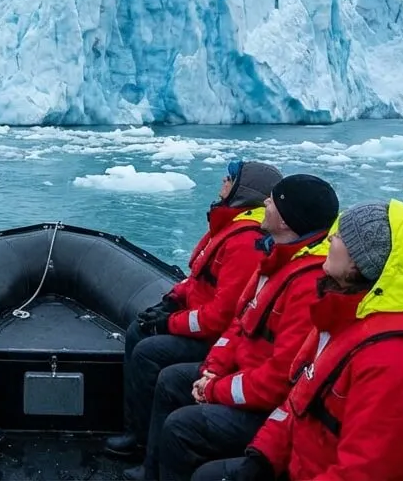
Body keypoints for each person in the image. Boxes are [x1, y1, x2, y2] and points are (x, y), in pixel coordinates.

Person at [192, 199, 403, 481]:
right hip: (299, 461)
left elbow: (366, 472)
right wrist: (262, 456)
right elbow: (297, 401)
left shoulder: (396, 363)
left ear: (362, 263)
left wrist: (216, 388)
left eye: (340, 237)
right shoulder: (345, 319)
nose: (330, 239)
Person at [142, 174, 341, 481]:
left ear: (288, 220)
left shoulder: (305, 284)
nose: (264, 204)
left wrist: (214, 388)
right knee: (171, 380)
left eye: (272, 202)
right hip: (242, 374)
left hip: (267, 401)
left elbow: (278, 378)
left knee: (182, 426)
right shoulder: (279, 260)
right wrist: (213, 369)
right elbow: (239, 325)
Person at [105, 160, 284, 461]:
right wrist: (172, 299)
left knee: (149, 352)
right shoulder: (229, 226)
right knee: (139, 331)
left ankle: (145, 442)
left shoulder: (245, 242)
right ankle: (137, 431)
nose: (222, 183)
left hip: (214, 336)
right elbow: (199, 279)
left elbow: (221, 316)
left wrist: (168, 323)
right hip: (206, 326)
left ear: (244, 191)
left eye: (229, 179)